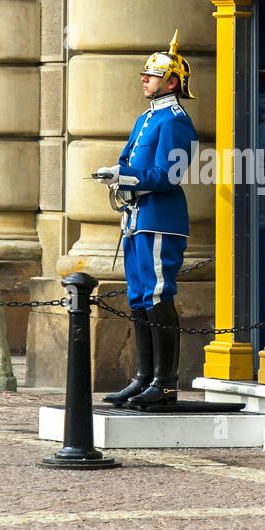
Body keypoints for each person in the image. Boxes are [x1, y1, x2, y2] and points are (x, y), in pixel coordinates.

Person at [95, 31, 198, 408]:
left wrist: (124, 177)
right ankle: (142, 377)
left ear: (171, 81)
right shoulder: (146, 118)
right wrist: (117, 172)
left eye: (152, 76)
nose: (144, 79)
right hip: (137, 215)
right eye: (145, 74)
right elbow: (129, 158)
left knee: (156, 293)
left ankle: (165, 383)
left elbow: (169, 176)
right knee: (138, 296)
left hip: (160, 217)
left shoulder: (174, 119)